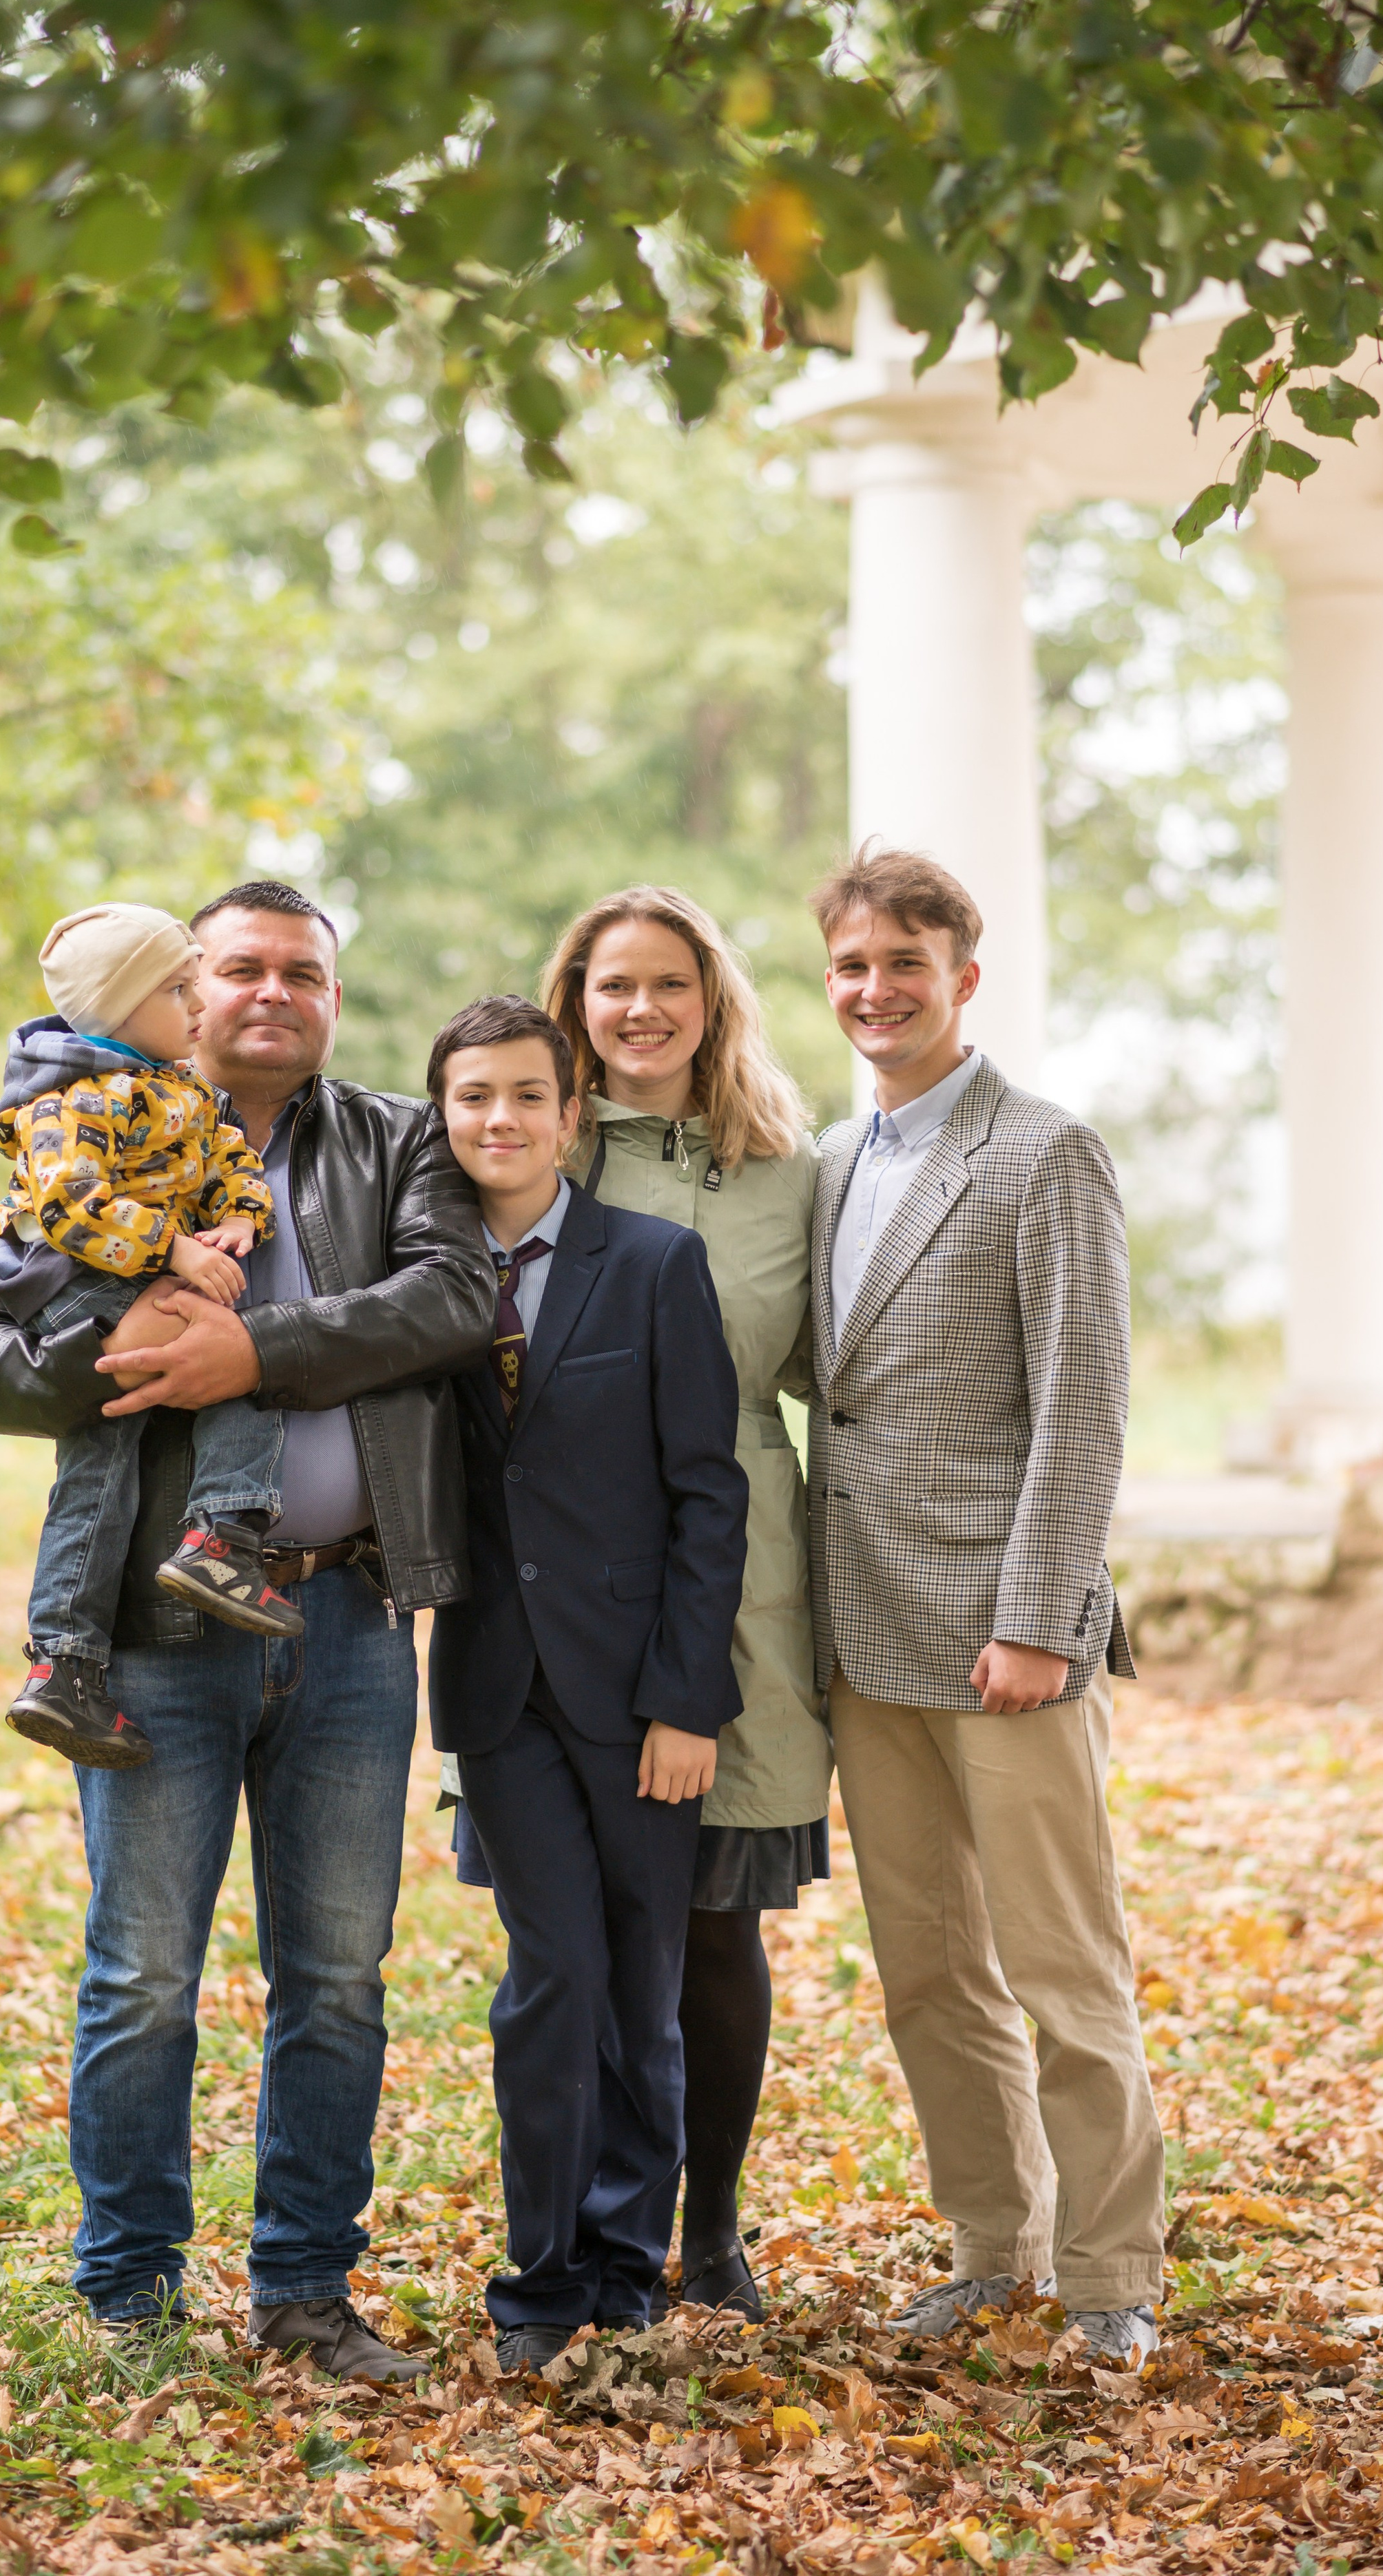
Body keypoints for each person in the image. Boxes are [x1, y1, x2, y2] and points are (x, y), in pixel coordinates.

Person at [0, 879, 497, 2377]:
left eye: (303, 971)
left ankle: (305, 2291)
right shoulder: (98, 1130)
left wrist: (252, 1349)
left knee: (338, 1978)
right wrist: (101, 1346)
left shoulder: (395, 1140)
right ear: (185, 987)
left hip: (349, 1615)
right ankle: (128, 2294)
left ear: (332, 1000)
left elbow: (454, 1294)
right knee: (143, 1975)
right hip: (150, 1628)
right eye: (238, 966)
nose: (270, 991)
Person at [807, 843, 1164, 2365]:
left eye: (905, 962)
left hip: (1004, 1635)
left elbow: (1085, 1406)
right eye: (852, 964)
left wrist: (1038, 1619)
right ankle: (990, 2247)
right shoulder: (830, 1160)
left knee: (1063, 1970)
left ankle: (1110, 2275)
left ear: (962, 976)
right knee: (930, 1971)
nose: (875, 988)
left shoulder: (1043, 1151)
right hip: (864, 1630)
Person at [426, 994, 749, 2372]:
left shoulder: (655, 1262)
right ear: (442, 1118)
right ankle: (541, 2281)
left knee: (640, 1983)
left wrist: (688, 1699)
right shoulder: (420, 1274)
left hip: (637, 1697)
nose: (499, 1118)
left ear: (571, 1114)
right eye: (471, 1096)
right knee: (548, 1977)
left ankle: (628, 2270)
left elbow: (708, 1494)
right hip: (498, 1689)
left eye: (525, 1095)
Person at [534, 886, 827, 2318]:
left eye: (668, 983)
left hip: (740, 1584)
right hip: (566, 1577)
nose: (640, 1009)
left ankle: (707, 2233)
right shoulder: (531, 1148)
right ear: (574, 1003)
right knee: (575, 1931)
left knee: (715, 1922)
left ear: (712, 1001)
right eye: (612, 985)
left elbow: (852, 1377)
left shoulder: (791, 1176)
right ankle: (583, 2234)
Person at [0, 903, 305, 1774]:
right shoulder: (74, 1097)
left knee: (106, 1463)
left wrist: (239, 1215)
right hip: (74, 1286)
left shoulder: (180, 1087)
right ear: (117, 1007)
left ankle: (69, 1661)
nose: (199, 1003)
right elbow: (66, 1206)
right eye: (177, 989)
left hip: (134, 1273)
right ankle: (215, 1542)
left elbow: (228, 1158)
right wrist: (174, 1249)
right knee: (231, 1363)